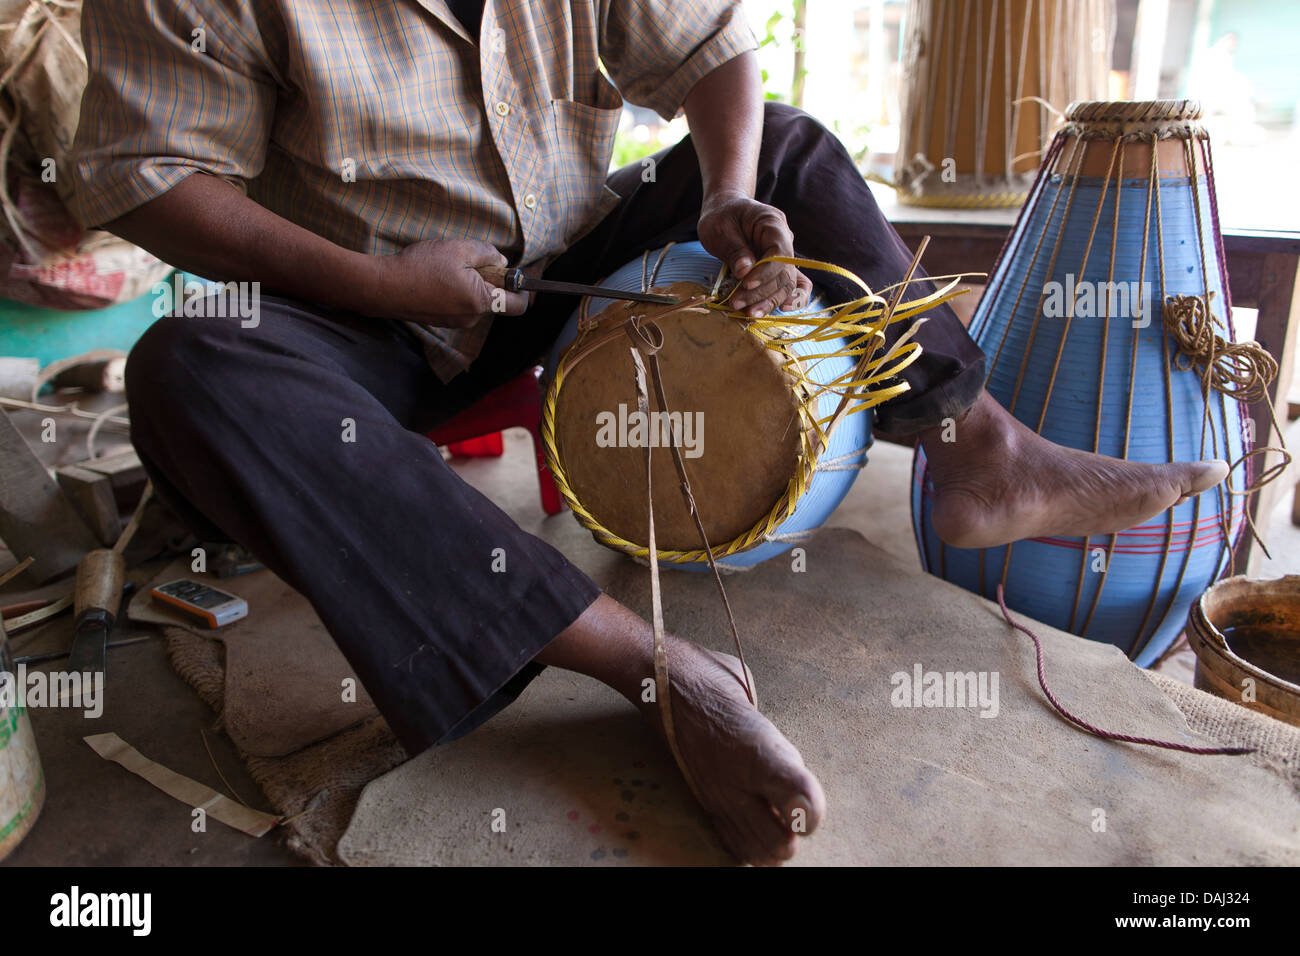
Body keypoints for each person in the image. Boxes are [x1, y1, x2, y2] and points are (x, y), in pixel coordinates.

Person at [70, 0, 1226, 865]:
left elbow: (712, 46)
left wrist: (726, 191)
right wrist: (375, 286)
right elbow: (144, 174)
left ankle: (980, 451)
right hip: (353, 315)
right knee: (187, 363)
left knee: (786, 142)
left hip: (554, 261)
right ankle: (656, 667)